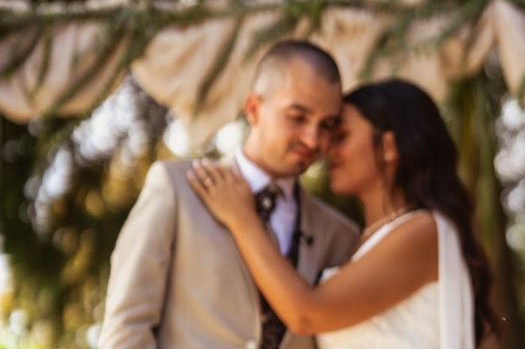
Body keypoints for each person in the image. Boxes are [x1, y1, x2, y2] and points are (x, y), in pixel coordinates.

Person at [189, 79, 496, 348]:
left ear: (389, 146)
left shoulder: (424, 231)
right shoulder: (359, 240)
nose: (325, 148)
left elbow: (306, 314)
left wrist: (242, 219)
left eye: (341, 136)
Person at [99, 40, 360, 349]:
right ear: (254, 109)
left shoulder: (340, 235)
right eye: (297, 117)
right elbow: (125, 328)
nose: (313, 138)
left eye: (327, 125)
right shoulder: (176, 188)